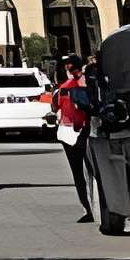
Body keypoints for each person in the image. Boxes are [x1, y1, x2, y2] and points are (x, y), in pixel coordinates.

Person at [51, 53, 93, 221]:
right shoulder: (87, 83)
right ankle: (93, 207)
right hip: (84, 131)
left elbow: (55, 107)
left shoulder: (63, 88)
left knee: (79, 173)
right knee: (91, 172)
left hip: (71, 132)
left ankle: (88, 209)